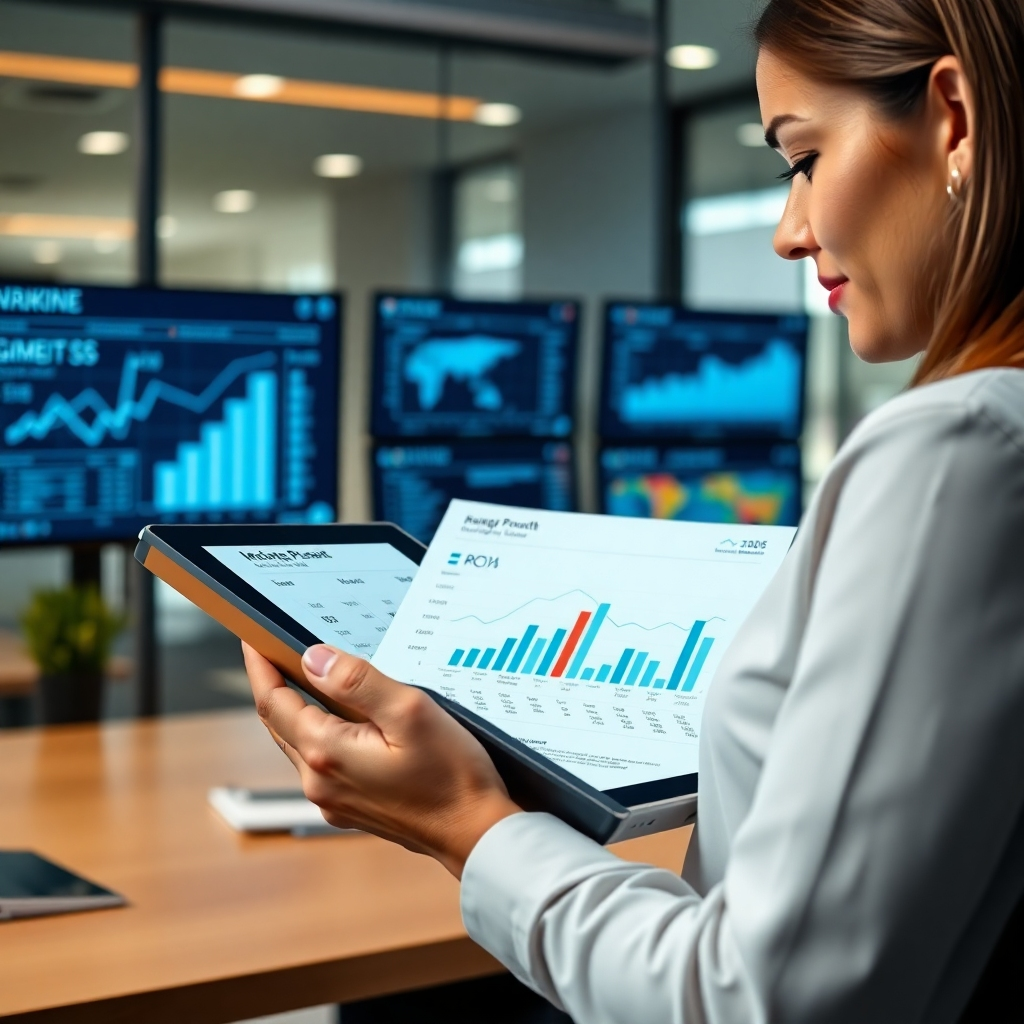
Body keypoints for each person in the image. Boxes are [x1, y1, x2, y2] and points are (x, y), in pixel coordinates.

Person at [243, 0, 1024, 1019]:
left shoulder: (954, 448)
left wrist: (464, 823)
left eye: (802, 158)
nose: (791, 230)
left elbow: (760, 1000)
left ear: (952, 115)